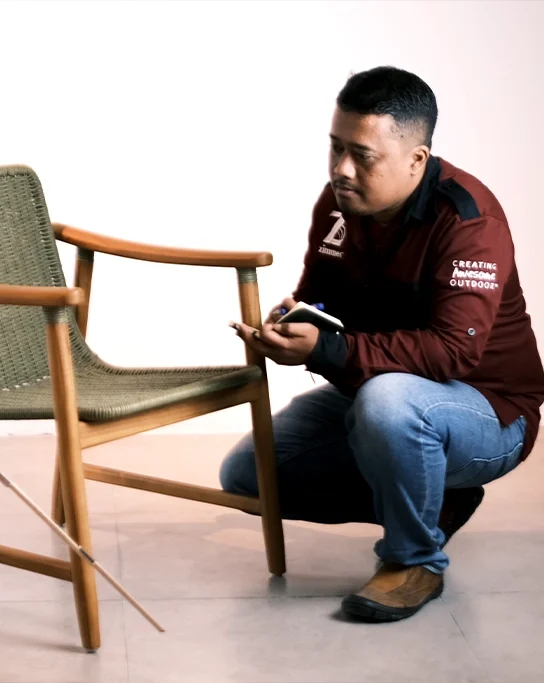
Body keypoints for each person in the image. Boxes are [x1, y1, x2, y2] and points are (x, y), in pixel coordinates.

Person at [225, 65, 544, 623]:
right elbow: (321, 300)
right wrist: (293, 322)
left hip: (488, 411)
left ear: (416, 160)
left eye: (362, 155)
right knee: (249, 475)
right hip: (380, 392)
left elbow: (453, 354)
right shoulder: (339, 203)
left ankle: (414, 559)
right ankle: (437, 499)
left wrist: (326, 353)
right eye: (335, 148)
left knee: (388, 403)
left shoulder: (470, 221)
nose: (342, 170)